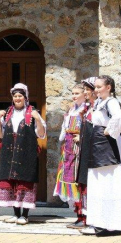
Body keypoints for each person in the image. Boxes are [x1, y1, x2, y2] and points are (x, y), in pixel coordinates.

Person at [82, 75, 121, 237]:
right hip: (98, 144)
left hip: (107, 145)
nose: (96, 90)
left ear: (108, 87)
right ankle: (102, 222)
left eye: (99, 87)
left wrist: (109, 130)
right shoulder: (99, 103)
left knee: (110, 181)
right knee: (100, 183)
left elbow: (119, 117)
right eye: (95, 87)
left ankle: (113, 224)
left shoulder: (111, 102)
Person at [0, 83, 46, 225]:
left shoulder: (32, 112)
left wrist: (38, 119)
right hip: (10, 150)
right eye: (15, 96)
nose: (17, 98)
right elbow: (0, 134)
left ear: (25, 98)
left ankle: (25, 215)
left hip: (26, 150)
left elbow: (41, 135)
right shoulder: (7, 113)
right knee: (11, 181)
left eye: (20, 96)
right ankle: (16, 214)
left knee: (25, 181)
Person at [53, 84, 85, 226]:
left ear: (84, 94)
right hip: (68, 148)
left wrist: (81, 135)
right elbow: (64, 128)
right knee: (68, 179)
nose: (74, 96)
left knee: (77, 180)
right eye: (73, 93)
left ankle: (84, 215)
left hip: (78, 148)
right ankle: (77, 214)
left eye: (77, 93)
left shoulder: (86, 109)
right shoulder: (72, 109)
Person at [72, 77, 98, 229]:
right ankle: (85, 217)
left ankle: (93, 218)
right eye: (86, 89)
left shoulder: (99, 108)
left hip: (94, 153)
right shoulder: (87, 110)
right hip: (85, 151)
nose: (86, 92)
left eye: (89, 89)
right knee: (83, 183)